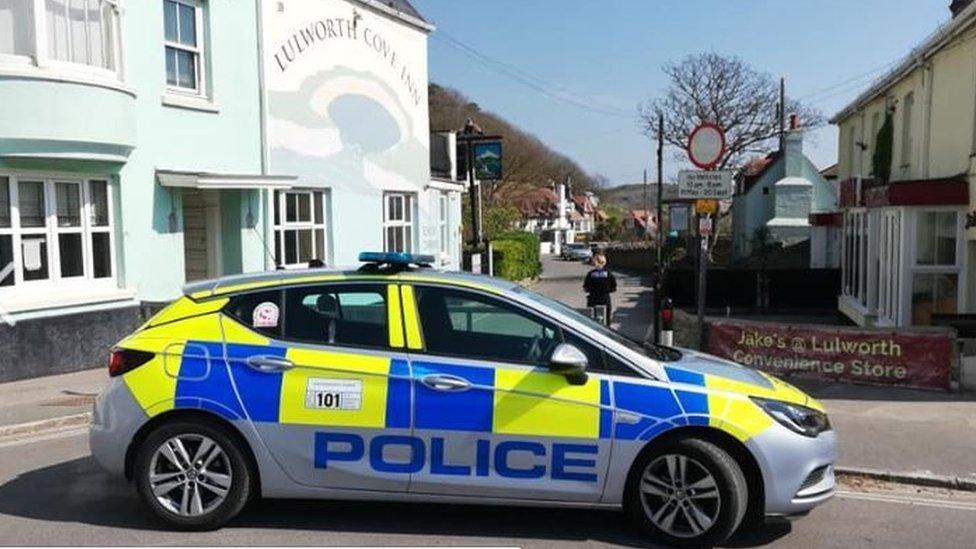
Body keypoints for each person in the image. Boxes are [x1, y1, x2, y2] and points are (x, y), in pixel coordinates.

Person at [583, 253, 617, 325]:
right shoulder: (609, 274)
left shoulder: (590, 274)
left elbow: (586, 288)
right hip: (605, 299)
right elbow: (614, 287)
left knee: (592, 320)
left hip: (593, 299)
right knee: (606, 319)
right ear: (604, 262)